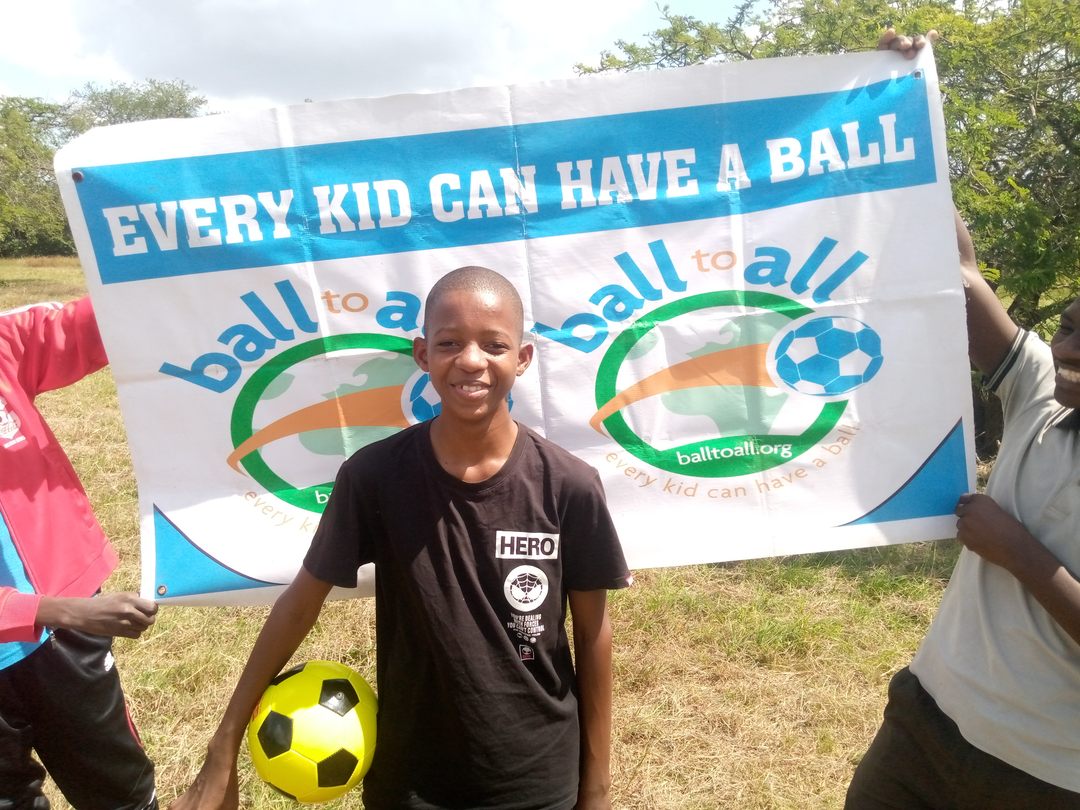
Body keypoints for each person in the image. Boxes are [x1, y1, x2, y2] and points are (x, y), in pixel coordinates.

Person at [172, 266, 632, 810]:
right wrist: (222, 746)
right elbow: (300, 605)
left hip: (537, 777)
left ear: (523, 358)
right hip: (412, 781)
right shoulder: (375, 477)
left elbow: (593, 632)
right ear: (422, 355)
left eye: (494, 345)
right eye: (450, 343)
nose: (471, 360)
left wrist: (597, 788)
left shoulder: (569, 485)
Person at [844, 211, 1080, 808]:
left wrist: (1017, 550)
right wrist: (910, 164)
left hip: (1045, 773)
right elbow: (960, 270)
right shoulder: (1041, 396)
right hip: (925, 716)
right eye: (1068, 327)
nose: (1066, 349)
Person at [0, 298, 159, 810]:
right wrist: (58, 611)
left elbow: (97, 321)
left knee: (118, 790)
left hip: (65, 632)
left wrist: (179, 266)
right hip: (64, 615)